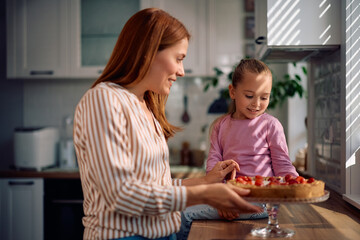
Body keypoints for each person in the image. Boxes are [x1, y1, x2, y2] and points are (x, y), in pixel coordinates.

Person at [73, 8, 261, 240]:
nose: (181, 71)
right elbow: (121, 195)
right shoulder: (103, 99)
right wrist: (206, 194)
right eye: (179, 58)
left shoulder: (145, 105)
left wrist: (204, 181)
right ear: (149, 52)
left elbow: (153, 186)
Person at [177, 59, 299, 240]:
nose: (257, 104)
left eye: (264, 97)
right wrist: (219, 199)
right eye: (249, 96)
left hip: (260, 202)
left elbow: (283, 164)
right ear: (232, 92)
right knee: (176, 207)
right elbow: (213, 167)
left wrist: (297, 185)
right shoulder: (220, 126)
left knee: (182, 214)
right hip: (227, 196)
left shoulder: (271, 125)